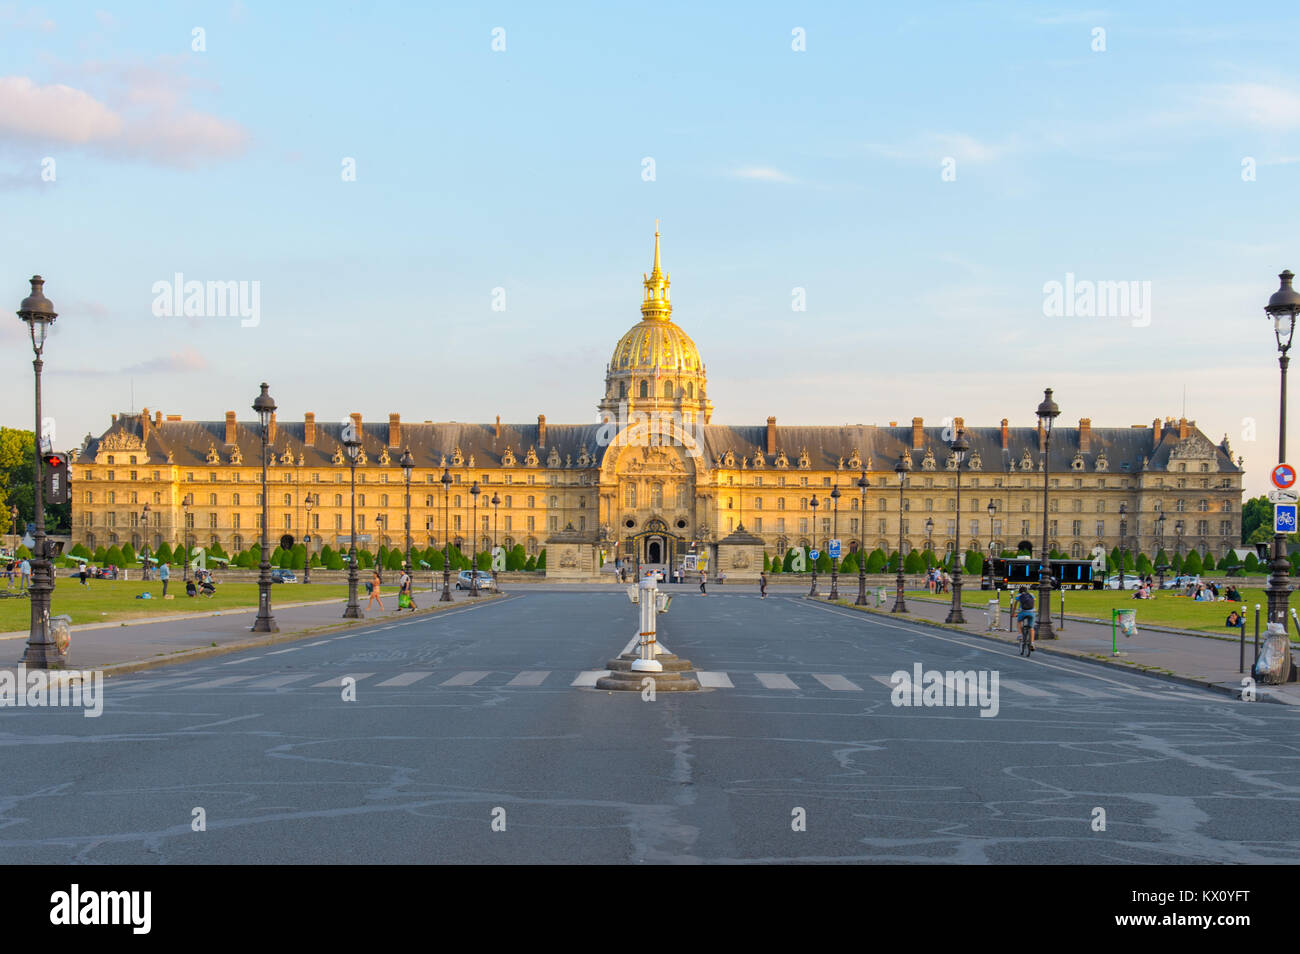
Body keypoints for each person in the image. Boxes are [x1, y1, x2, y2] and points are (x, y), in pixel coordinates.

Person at [1015, 586, 1036, 652]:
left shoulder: (1019, 595)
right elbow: (1034, 601)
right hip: (1032, 613)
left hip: (1023, 612)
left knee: (1019, 621)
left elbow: (1015, 605)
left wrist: (1013, 613)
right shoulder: (1031, 595)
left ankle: (1020, 635)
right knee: (1031, 628)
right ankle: (1032, 643)